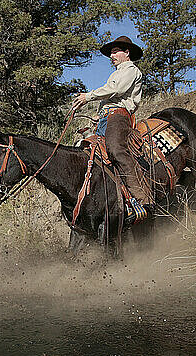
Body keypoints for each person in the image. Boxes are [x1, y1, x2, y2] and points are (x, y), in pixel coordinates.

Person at [72, 36, 151, 221]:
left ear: (127, 53)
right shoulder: (116, 72)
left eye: (115, 51)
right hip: (107, 119)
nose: (112, 56)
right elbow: (111, 95)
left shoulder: (131, 70)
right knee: (89, 153)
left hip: (120, 117)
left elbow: (116, 90)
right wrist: (99, 116)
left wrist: (88, 97)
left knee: (116, 150)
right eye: (111, 53)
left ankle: (142, 200)